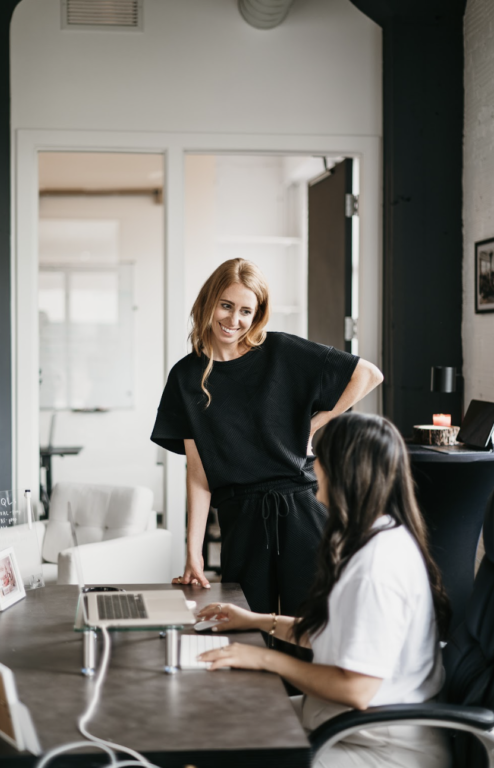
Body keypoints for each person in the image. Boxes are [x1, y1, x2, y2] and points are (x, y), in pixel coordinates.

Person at [196, 413, 453, 768]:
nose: (313, 467)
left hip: (376, 747)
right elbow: (338, 636)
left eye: (319, 458)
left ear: (344, 471)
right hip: (343, 724)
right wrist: (255, 620)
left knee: (226, 750)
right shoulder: (371, 539)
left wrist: (265, 658)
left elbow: (356, 689)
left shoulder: (377, 567)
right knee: (219, 723)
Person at [151, 258, 382, 617]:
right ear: (209, 301)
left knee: (310, 629)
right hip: (240, 521)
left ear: (257, 314)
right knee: (246, 629)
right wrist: (193, 552)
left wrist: (315, 424)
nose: (234, 319)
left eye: (246, 311)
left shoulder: (280, 351)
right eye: (226, 305)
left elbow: (368, 375)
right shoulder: (185, 377)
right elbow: (198, 475)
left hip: (303, 512)